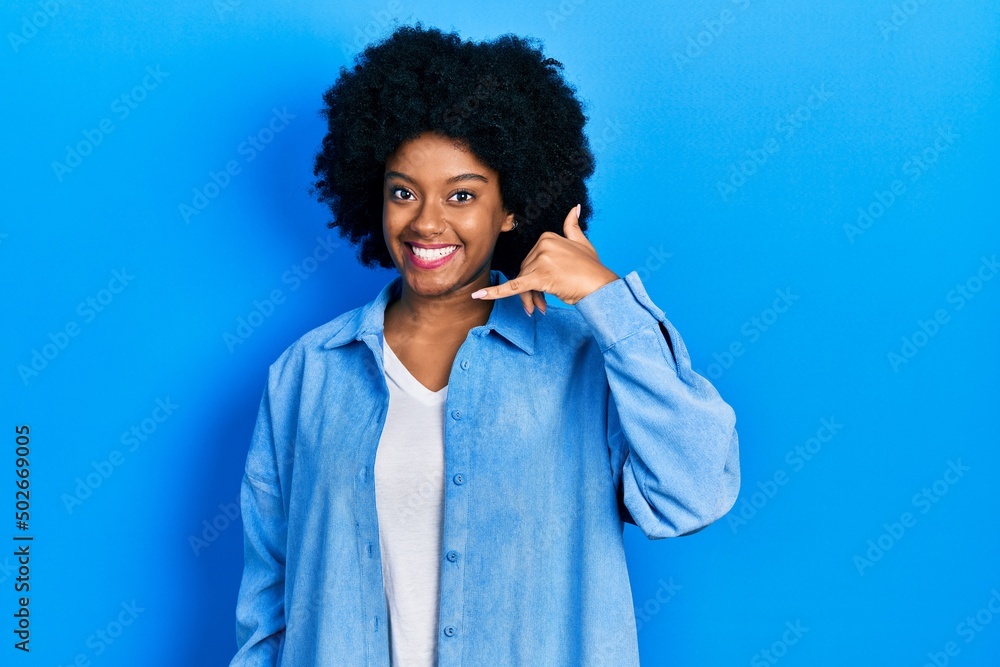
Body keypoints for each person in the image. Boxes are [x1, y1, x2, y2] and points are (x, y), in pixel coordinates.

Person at [231, 23, 740, 667]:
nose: (427, 222)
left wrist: (607, 300)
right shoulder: (306, 375)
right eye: (403, 192)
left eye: (463, 194)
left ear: (510, 209)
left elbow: (694, 491)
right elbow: (268, 607)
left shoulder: (583, 361)